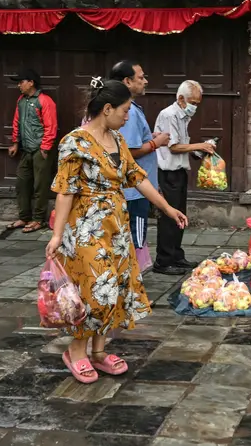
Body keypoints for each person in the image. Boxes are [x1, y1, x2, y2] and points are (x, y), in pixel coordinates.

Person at [45, 78, 188, 384]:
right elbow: (65, 191)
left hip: (116, 226)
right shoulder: (75, 142)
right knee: (94, 291)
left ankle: (99, 351)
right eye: (124, 110)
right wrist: (57, 235)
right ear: (107, 109)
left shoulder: (119, 141)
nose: (128, 116)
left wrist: (166, 208)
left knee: (117, 289)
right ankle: (76, 351)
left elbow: (138, 178)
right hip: (85, 228)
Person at [109, 60, 170, 270]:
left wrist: (149, 138)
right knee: (136, 240)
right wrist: (156, 143)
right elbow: (127, 153)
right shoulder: (129, 111)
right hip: (133, 191)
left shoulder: (130, 109)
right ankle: (133, 285)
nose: (145, 81)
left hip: (134, 188)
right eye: (141, 77)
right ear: (127, 81)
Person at [152, 80, 217, 275]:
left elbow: (182, 146)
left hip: (179, 171)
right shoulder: (168, 115)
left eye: (197, 103)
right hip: (167, 172)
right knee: (169, 216)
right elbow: (173, 146)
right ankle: (163, 261)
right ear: (181, 99)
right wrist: (199, 146)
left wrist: (199, 151)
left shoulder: (182, 116)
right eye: (193, 103)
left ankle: (176, 256)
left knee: (180, 215)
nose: (195, 108)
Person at [7, 69, 58, 233]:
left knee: (40, 186)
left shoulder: (45, 101)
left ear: (31, 82)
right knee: (22, 184)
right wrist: (15, 143)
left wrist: (45, 147)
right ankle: (24, 217)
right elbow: (16, 122)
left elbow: (51, 126)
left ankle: (38, 219)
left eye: (21, 82)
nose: (19, 85)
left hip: (40, 149)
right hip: (26, 149)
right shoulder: (21, 101)